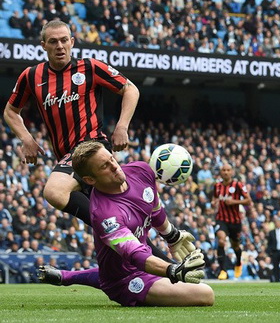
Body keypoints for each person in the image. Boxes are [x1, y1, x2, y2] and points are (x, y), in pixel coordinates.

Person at [3, 20, 173, 280]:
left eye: (64, 40)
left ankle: (103, 223)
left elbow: (130, 89)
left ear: (72, 42)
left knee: (54, 191)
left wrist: (122, 126)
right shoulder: (31, 76)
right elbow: (10, 111)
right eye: (53, 41)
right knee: (117, 233)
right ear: (43, 46)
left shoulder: (90, 67)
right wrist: (25, 138)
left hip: (92, 148)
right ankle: (175, 272)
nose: (60, 46)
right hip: (70, 160)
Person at [41, 141, 214, 306]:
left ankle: (67, 276)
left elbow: (154, 208)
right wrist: (173, 270)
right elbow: (136, 255)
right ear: (90, 180)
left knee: (111, 269)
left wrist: (171, 235)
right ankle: (93, 280)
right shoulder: (105, 216)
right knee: (205, 294)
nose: (114, 166)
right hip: (126, 280)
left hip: (130, 266)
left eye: (111, 159)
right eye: (104, 166)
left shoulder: (141, 170)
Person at [212, 163, 252, 280]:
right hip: (221, 219)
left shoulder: (238, 185)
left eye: (228, 170)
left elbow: (248, 200)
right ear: (221, 172)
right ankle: (223, 270)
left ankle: (238, 262)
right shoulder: (217, 186)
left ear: (232, 172)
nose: (225, 172)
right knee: (221, 240)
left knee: (235, 246)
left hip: (235, 221)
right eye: (223, 170)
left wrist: (234, 202)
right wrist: (213, 203)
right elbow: (214, 198)